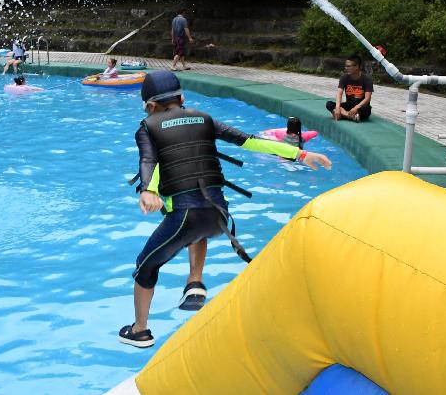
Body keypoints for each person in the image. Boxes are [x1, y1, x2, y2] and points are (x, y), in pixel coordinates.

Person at [119, 71, 332, 348]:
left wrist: (148, 189)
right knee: (198, 229)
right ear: (182, 98)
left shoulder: (147, 127)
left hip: (186, 217)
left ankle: (139, 331)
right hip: (219, 215)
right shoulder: (204, 119)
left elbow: (150, 159)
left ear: (149, 106)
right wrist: (301, 154)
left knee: (144, 267)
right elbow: (248, 140)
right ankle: (195, 283)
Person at [326, 55, 373, 123]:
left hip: (360, 106)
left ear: (357, 66)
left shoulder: (367, 80)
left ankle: (341, 114)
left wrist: (356, 108)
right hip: (349, 105)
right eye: (345, 66)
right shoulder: (344, 77)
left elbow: (367, 98)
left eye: (348, 66)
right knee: (329, 104)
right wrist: (337, 108)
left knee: (367, 109)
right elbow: (339, 93)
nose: (346, 68)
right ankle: (351, 116)